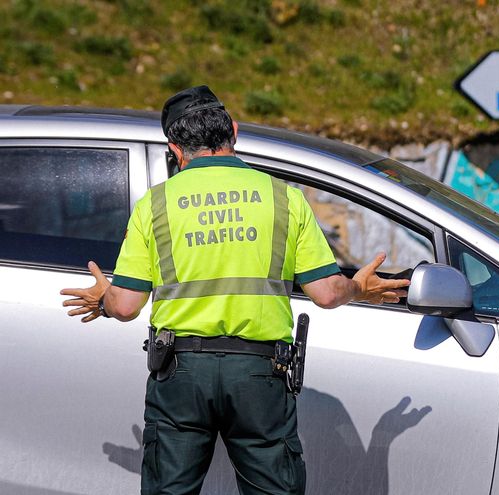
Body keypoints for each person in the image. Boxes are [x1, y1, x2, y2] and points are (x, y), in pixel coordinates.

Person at [60, 85, 409, 495]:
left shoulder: (156, 204)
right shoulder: (284, 199)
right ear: (235, 132)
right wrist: (358, 287)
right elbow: (328, 294)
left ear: (174, 147)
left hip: (180, 371)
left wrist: (104, 298)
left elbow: (125, 306)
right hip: (260, 374)